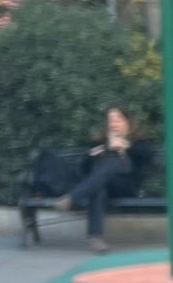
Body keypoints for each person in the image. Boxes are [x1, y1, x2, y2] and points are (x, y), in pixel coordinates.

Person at [51, 106, 154, 252]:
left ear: (127, 122)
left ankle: (72, 198)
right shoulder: (101, 142)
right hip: (103, 186)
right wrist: (91, 156)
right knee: (99, 188)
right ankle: (95, 238)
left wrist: (125, 146)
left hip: (126, 185)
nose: (114, 124)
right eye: (111, 120)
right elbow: (85, 170)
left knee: (112, 162)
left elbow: (147, 155)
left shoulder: (138, 141)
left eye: (118, 120)